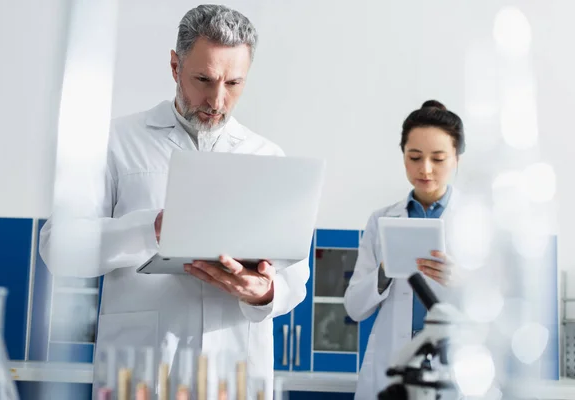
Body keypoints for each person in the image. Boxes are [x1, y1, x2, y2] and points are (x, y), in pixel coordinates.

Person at [39, 5, 309, 398]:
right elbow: (57, 247)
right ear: (174, 65)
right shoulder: (116, 143)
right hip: (142, 373)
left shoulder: (267, 157)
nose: (217, 100)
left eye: (234, 83)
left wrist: (263, 292)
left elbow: (294, 279)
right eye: (204, 79)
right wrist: (152, 229)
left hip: (233, 373)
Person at [344, 100, 466, 399]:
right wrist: (384, 273)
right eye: (415, 157)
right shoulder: (381, 221)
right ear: (403, 157)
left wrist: (462, 281)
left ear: (456, 159)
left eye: (438, 159)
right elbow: (354, 308)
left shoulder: (475, 221)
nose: (425, 169)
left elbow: (500, 311)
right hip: (391, 371)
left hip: (453, 372)